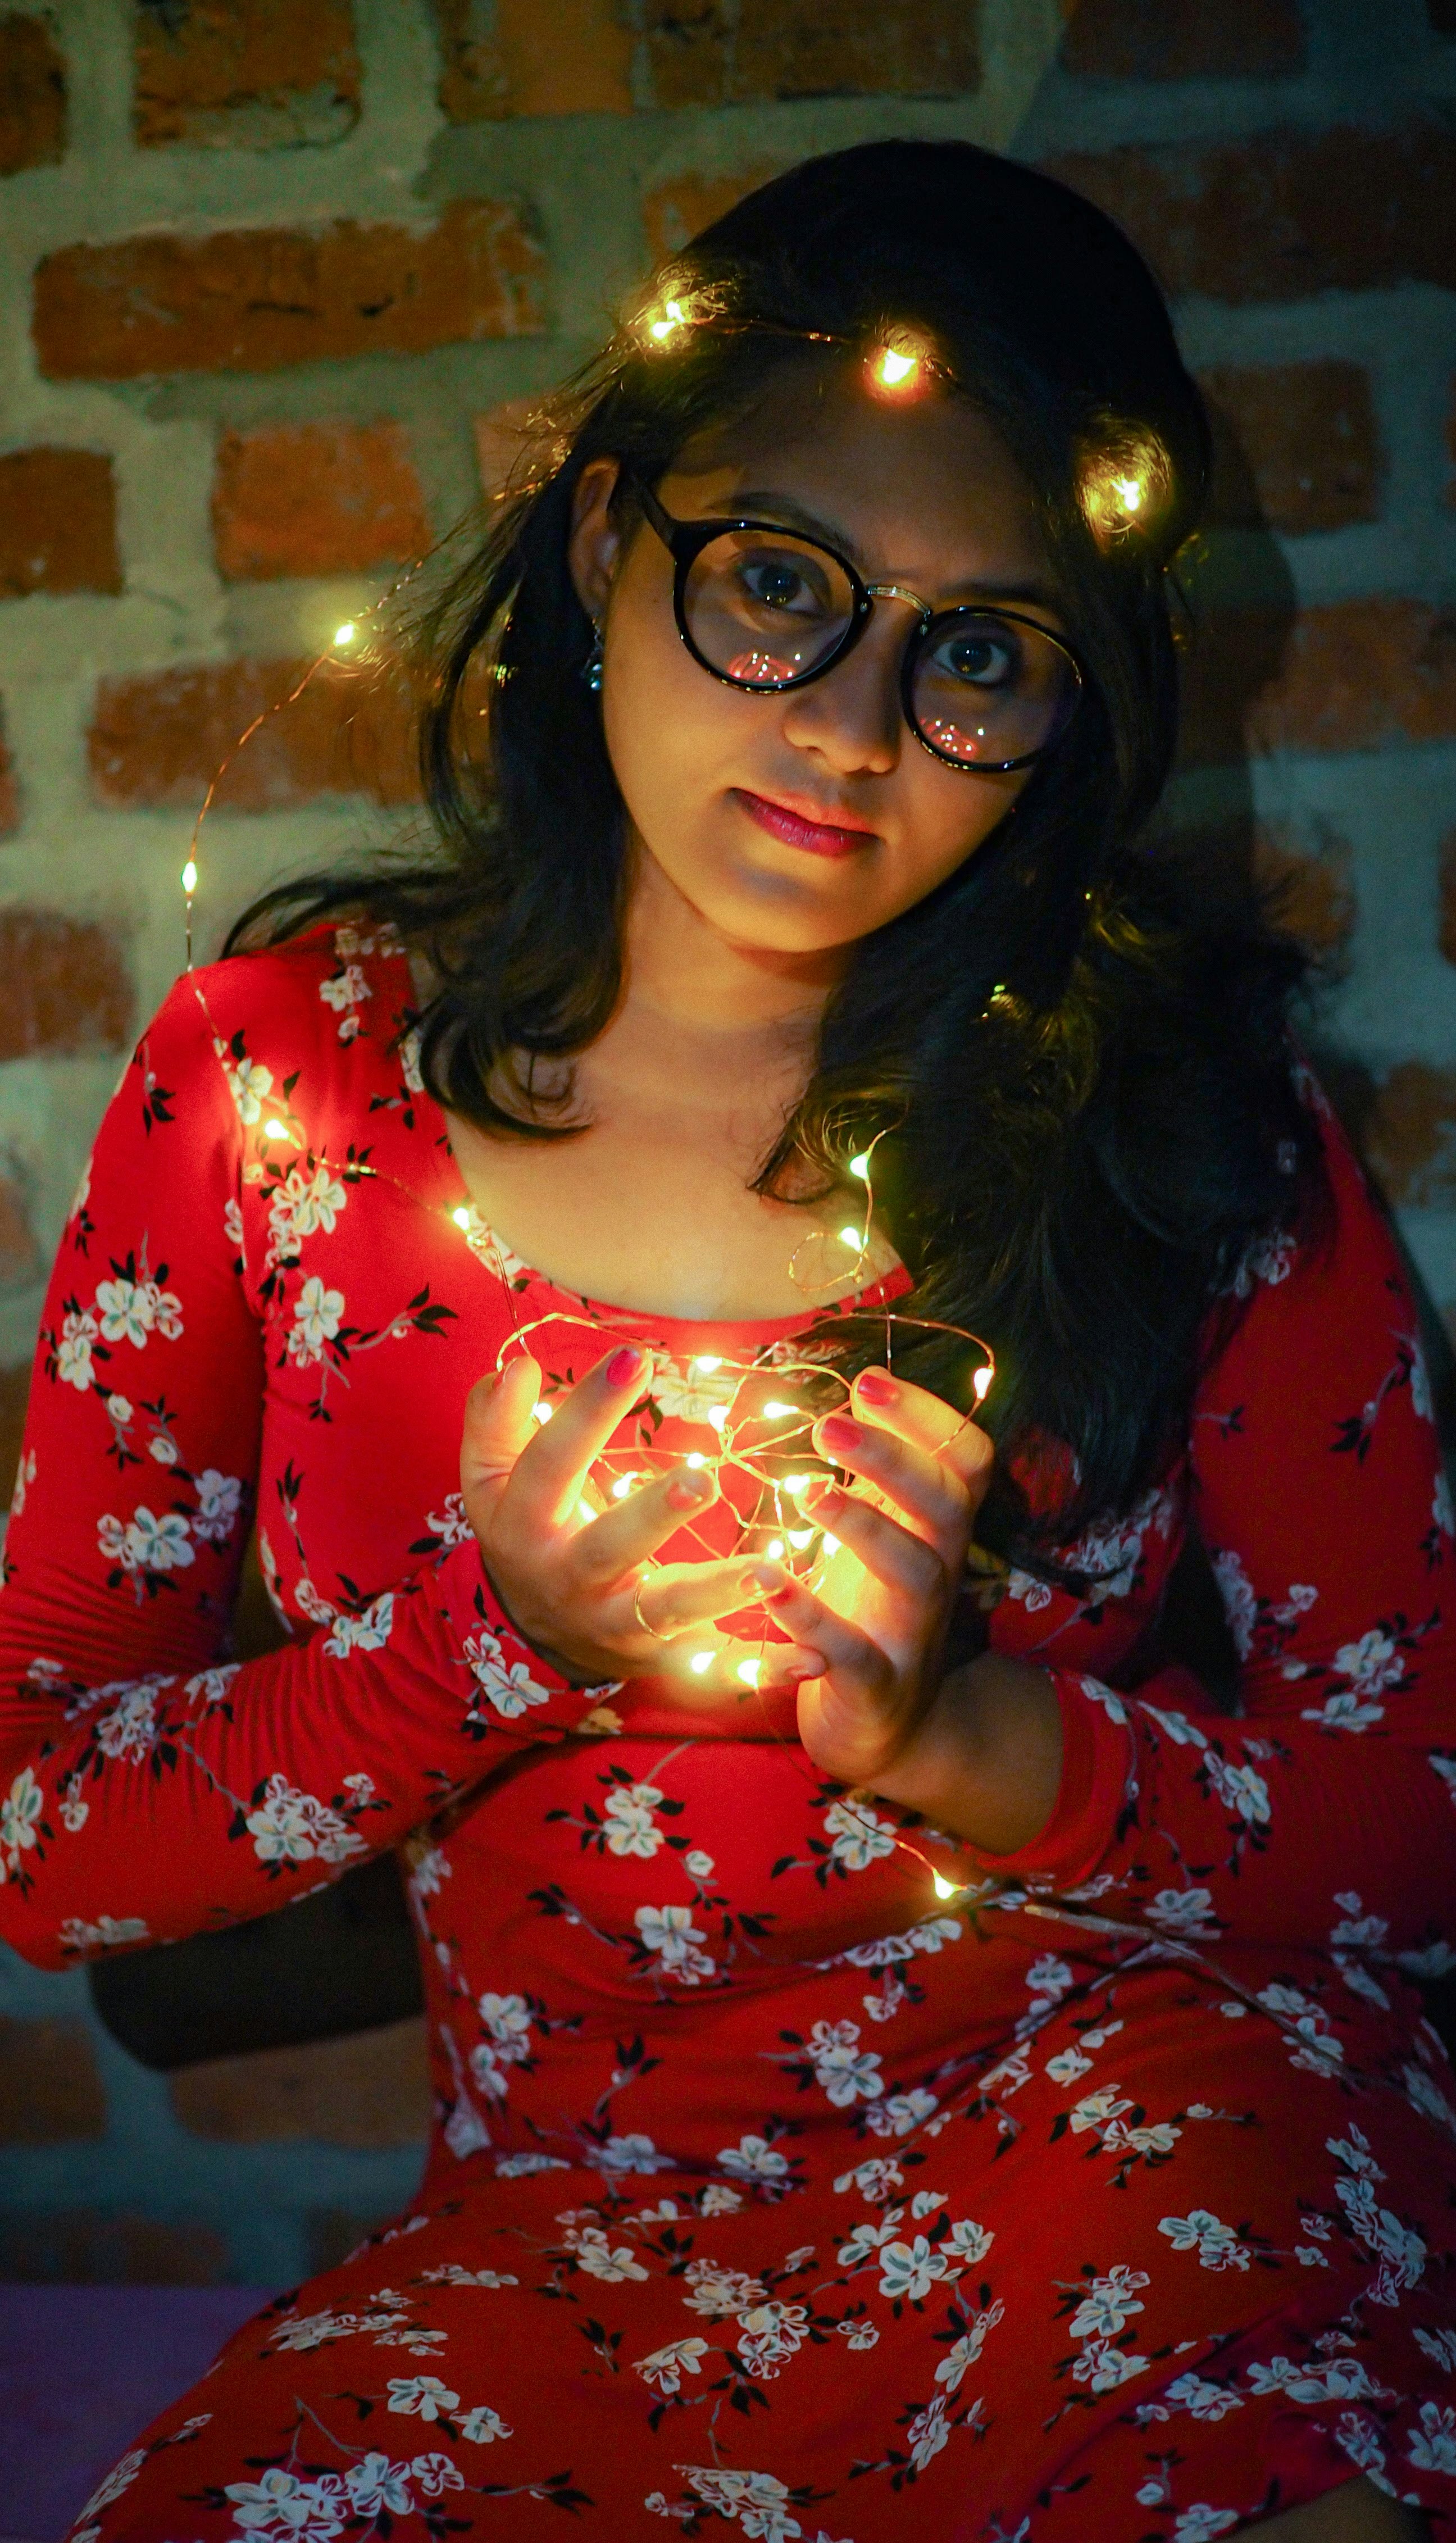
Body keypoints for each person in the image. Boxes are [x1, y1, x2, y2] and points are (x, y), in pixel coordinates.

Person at [1, 142, 1452, 2542]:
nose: (855, 734)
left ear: (1073, 706)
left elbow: (1417, 1810)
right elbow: (42, 1834)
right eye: (780, 585)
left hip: (1125, 2129)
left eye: (980, 651)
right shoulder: (286, 1085)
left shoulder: (1170, 1121)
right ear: (603, 544)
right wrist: (482, 1652)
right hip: (570, 2240)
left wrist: (985, 1744)